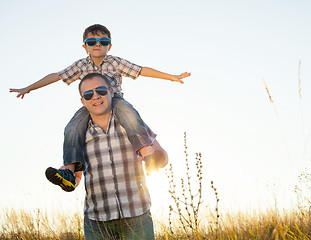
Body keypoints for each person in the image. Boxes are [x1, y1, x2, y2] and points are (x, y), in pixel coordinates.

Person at [9, 24, 190, 191]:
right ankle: (69, 170)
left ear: (109, 46)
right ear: (85, 46)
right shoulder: (81, 65)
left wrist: (171, 76)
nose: (98, 45)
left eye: (103, 41)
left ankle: (145, 151)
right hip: (91, 106)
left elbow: (141, 70)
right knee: (72, 127)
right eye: (92, 41)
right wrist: (29, 88)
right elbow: (56, 76)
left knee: (128, 113)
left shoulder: (115, 62)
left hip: (115, 100)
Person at [78, 73, 156, 239]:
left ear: (112, 92)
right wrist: (67, 176)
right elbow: (76, 177)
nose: (96, 97)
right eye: (88, 94)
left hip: (137, 218)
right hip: (96, 223)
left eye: (101, 90)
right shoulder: (79, 134)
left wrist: (154, 158)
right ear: (83, 101)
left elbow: (162, 155)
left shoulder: (132, 123)